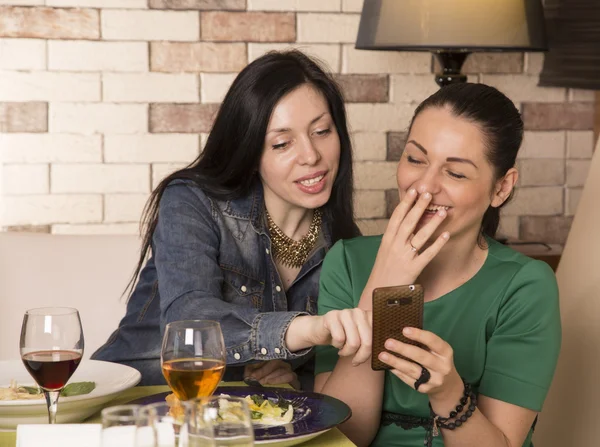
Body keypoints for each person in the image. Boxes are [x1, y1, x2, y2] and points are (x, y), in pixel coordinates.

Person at [92, 50, 362, 389]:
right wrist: (306, 329)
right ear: (248, 152)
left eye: (322, 131)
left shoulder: (344, 246)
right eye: (281, 143)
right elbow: (189, 323)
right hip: (130, 400)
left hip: (234, 420)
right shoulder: (192, 201)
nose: (311, 156)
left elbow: (337, 373)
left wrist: (289, 376)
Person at [313, 83, 562, 447]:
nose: (425, 186)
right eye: (415, 159)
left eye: (456, 173)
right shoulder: (348, 261)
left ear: (501, 188)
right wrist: (380, 289)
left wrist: (448, 392)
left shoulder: (524, 286)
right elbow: (344, 433)